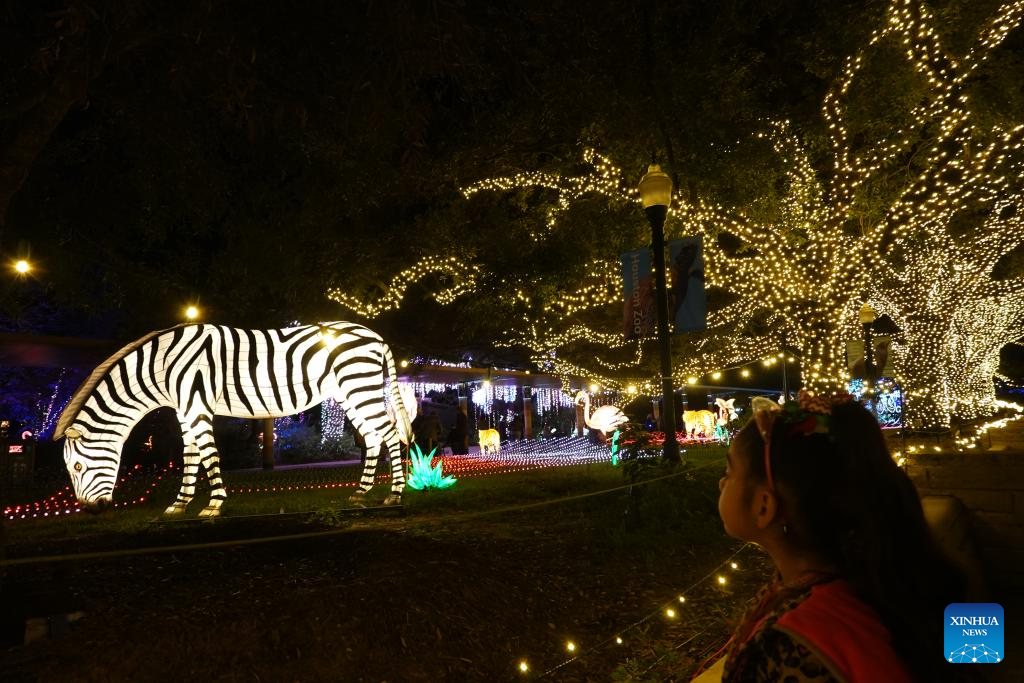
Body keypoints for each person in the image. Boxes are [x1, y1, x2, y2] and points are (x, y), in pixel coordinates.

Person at [699, 390, 967, 683]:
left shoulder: (793, 645)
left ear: (764, 506)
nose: (721, 482)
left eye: (729, 470)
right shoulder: (882, 578)